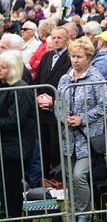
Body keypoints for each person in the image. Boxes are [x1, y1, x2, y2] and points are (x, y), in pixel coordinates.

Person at [56, 38, 107, 222]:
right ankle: (72, 212)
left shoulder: (96, 78)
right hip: (67, 136)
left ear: (88, 57)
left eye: (79, 56)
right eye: (72, 56)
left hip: (88, 137)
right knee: (69, 177)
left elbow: (103, 107)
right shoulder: (64, 78)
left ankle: (84, 213)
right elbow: (57, 103)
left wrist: (82, 119)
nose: (75, 60)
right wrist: (62, 117)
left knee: (79, 175)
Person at [0, 50, 36, 222]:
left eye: (3, 67)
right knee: (4, 186)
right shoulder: (4, 85)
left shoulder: (20, 88)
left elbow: (15, 121)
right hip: (5, 145)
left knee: (12, 186)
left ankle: (13, 221)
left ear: (13, 69)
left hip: (16, 146)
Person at [33, 26, 72, 179]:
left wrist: (54, 101)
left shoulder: (70, 57)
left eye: (59, 37)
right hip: (42, 111)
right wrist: (38, 97)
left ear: (67, 39)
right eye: (54, 37)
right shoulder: (46, 56)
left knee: (57, 149)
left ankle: (60, 182)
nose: (56, 40)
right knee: (43, 149)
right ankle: (45, 182)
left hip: (59, 111)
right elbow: (37, 80)